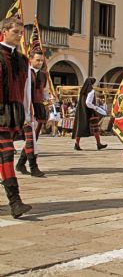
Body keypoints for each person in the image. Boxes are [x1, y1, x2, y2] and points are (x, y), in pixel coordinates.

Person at [0, 17, 33, 218]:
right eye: (16, 32)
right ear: (4, 31)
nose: (20, 36)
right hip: (1, 111)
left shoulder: (22, 59)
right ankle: (15, 202)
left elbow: (26, 88)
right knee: (6, 154)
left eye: (21, 32)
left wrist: (28, 113)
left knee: (4, 155)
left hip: (14, 112)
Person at [15, 50, 49, 177]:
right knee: (30, 139)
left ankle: (20, 164)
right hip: (27, 108)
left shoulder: (43, 75)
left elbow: (43, 90)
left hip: (39, 108)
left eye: (41, 60)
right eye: (37, 60)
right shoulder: (25, 74)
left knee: (34, 139)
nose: (40, 63)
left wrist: (47, 99)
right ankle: (33, 167)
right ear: (30, 59)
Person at [72, 77, 108, 150]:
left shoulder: (82, 91)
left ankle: (77, 144)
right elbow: (88, 103)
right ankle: (98, 144)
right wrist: (95, 107)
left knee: (80, 127)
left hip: (82, 111)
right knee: (95, 128)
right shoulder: (91, 91)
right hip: (90, 112)